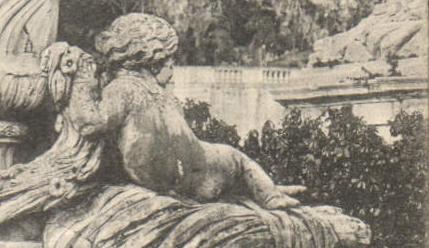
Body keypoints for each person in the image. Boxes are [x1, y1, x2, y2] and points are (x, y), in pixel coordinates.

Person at [65, 13, 298, 208]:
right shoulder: (160, 97)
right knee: (236, 158)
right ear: (154, 61)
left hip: (167, 177)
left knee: (233, 159)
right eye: (169, 61)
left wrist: (82, 81)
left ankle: (268, 191)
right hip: (198, 173)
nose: (172, 67)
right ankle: (269, 193)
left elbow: (90, 122)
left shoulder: (123, 90)